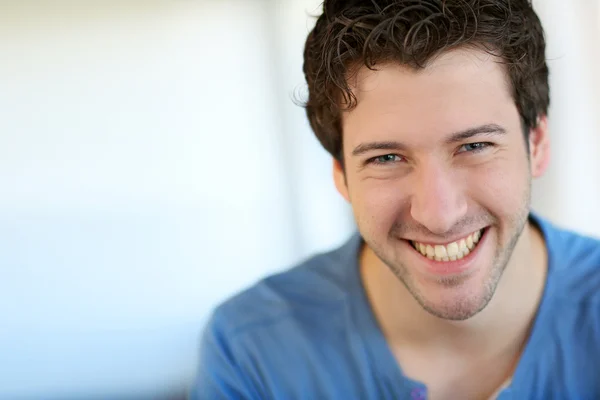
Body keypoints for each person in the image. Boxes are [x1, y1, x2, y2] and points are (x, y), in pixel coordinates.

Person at [193, 1, 600, 399]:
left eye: (475, 146)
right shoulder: (252, 353)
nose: (439, 215)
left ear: (539, 144)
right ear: (341, 176)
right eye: (386, 158)